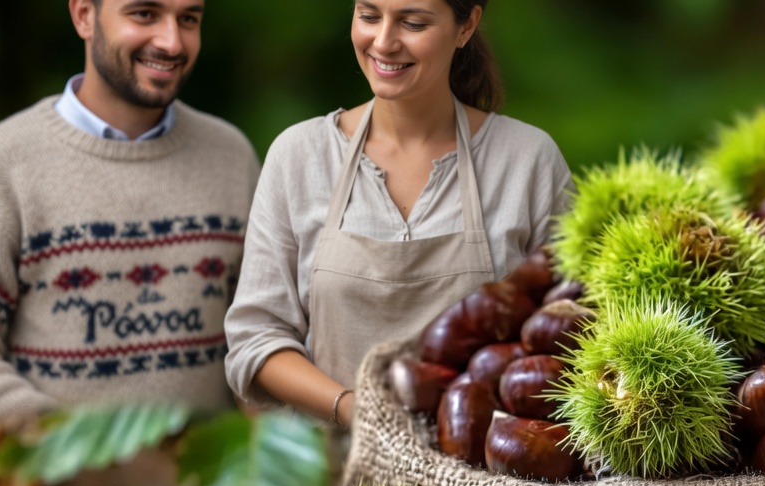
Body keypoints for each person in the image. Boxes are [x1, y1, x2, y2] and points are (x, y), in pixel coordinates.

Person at [223, 0, 572, 429]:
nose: (384, 42)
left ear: (467, 27)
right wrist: (357, 412)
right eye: (369, 16)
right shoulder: (299, 156)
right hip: (334, 483)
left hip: (482, 484)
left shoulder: (527, 161)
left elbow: (574, 334)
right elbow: (255, 340)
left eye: (412, 23)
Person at [0, 0, 260, 429]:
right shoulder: (0, 165)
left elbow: (258, 333)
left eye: (188, 19)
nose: (172, 41)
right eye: (144, 14)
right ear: (84, 15)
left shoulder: (232, 158)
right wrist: (67, 449)